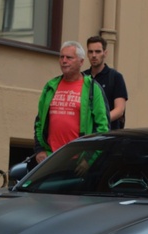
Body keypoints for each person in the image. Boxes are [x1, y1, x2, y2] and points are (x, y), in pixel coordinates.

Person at [33, 41, 109, 172]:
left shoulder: (92, 88)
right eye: (61, 57)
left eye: (69, 57)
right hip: (51, 158)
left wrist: (89, 160)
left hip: (78, 162)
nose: (64, 60)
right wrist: (40, 150)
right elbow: (39, 121)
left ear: (81, 62)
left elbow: (102, 127)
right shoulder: (51, 86)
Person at [84, 35, 128, 130]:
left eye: (98, 51)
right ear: (87, 54)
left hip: (109, 136)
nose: (94, 55)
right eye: (91, 52)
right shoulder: (83, 77)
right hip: (85, 136)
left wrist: (99, 122)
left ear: (105, 53)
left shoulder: (115, 77)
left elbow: (119, 110)